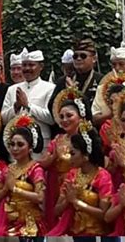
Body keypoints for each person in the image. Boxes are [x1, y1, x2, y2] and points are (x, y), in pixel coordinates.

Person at [48, 122, 113, 237]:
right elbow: (56, 211)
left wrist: (76, 202)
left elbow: (104, 215)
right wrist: (68, 201)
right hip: (73, 232)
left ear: (86, 155)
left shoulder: (103, 176)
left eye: (72, 153)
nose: (69, 157)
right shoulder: (72, 175)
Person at [40, 87, 91, 228]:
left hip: (77, 186)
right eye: (61, 116)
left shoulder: (88, 139)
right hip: (55, 187)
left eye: (69, 116)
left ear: (80, 116)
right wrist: (54, 155)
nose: (64, 120)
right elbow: (43, 164)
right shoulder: (58, 139)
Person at [0, 114, 46, 237]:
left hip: (29, 221)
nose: (15, 148)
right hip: (7, 218)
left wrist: (15, 189)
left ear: (30, 148)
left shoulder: (35, 169)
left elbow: (40, 198)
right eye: (12, 144)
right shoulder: (7, 169)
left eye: (20, 145)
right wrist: (6, 189)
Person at [2, 49, 55, 152]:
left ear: (41, 67)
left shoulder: (50, 88)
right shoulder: (12, 89)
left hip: (40, 145)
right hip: (15, 144)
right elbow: (3, 119)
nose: (27, 68)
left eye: (31, 65)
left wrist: (28, 106)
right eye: (24, 65)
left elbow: (51, 119)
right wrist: (16, 107)